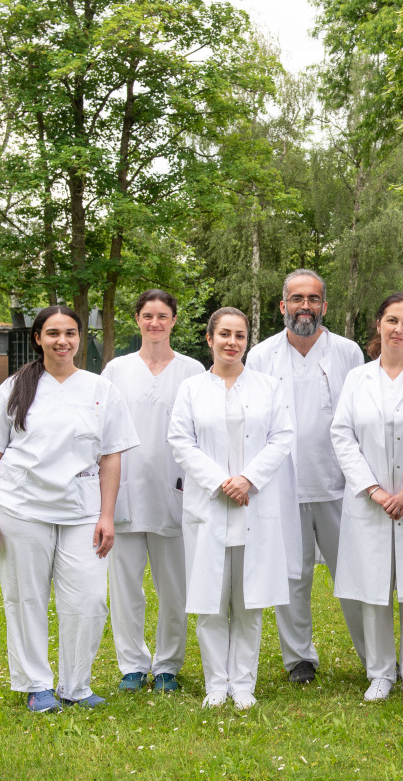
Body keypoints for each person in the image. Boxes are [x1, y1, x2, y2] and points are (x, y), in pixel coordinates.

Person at [0, 306, 138, 712]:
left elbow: (112, 457)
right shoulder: (14, 388)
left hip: (82, 510)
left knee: (90, 599)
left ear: (81, 338)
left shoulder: (101, 389)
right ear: (38, 338)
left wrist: (106, 515)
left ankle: (76, 685)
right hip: (21, 508)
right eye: (53, 333)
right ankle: (37, 685)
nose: (63, 340)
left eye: (71, 333)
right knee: (25, 598)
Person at [169, 307, 297, 710]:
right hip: (209, 505)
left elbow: (282, 437)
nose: (232, 342)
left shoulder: (268, 387)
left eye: (239, 335)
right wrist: (220, 481)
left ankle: (243, 683)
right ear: (209, 339)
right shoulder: (191, 389)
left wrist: (248, 480)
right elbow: (180, 440)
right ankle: (215, 683)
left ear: (247, 341)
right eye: (224, 334)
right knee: (209, 598)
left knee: (249, 598)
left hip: (253, 504)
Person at [247, 269, 366, 685]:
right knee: (292, 577)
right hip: (282, 485)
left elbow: (360, 418)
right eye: (297, 299)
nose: (305, 306)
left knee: (353, 574)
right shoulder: (261, 356)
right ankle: (299, 658)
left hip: (339, 484)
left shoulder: (348, 352)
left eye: (313, 299)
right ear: (283, 305)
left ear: (324, 306)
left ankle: (376, 659)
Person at [331, 293, 403, 703]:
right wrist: (374, 489)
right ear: (378, 324)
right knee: (372, 588)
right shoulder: (358, 378)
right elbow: (342, 435)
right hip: (368, 501)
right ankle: (380, 673)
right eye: (392, 320)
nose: (398, 329)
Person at [102, 289, 204, 694]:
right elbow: (103, 431)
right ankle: (132, 665)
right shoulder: (116, 370)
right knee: (125, 587)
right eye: (147, 315)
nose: (155, 322)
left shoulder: (193, 370)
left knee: (174, 587)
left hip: (175, 492)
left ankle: (167, 666)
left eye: (162, 315)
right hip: (124, 491)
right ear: (137, 320)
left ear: (174, 320)